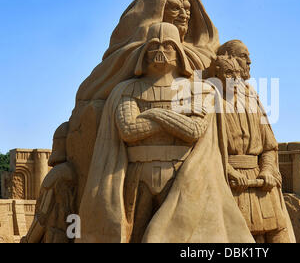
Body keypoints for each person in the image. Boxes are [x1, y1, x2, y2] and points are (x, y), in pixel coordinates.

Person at [76, 22, 253, 243]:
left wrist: (152, 114)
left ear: (178, 51)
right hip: (137, 177)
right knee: (134, 236)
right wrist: (172, 116)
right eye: (154, 46)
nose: (160, 52)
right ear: (144, 52)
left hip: (180, 177)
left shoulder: (200, 90)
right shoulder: (126, 90)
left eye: (168, 46)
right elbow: (129, 130)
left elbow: (193, 130)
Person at [210, 45, 295, 243]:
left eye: (236, 72)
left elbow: (269, 145)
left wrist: (266, 170)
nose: (248, 62)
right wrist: (229, 171)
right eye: (243, 57)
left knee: (276, 232)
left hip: (260, 182)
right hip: (229, 182)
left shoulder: (252, 98)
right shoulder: (210, 100)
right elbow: (205, 148)